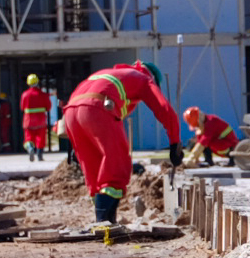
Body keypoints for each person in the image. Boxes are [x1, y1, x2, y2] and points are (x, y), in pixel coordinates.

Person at [60, 61, 182, 227]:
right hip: (98, 108)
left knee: (95, 173)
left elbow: (79, 103)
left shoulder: (107, 73)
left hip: (71, 114)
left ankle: (104, 222)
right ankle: (105, 223)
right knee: (117, 165)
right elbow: (164, 108)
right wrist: (175, 142)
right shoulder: (143, 78)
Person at [19, 74, 52, 162]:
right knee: (40, 137)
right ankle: (39, 155)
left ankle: (30, 148)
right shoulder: (43, 95)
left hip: (28, 120)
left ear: (28, 83)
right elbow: (48, 107)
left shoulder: (25, 95)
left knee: (28, 137)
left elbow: (22, 107)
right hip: (40, 119)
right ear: (37, 82)